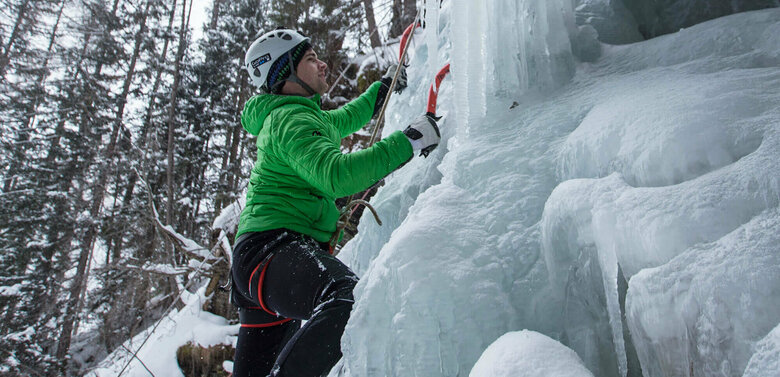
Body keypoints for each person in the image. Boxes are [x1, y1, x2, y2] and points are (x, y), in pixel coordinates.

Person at [230, 28, 441, 377]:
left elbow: (344, 119)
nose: (323, 64)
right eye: (311, 59)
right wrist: (409, 141)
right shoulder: (290, 119)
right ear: (284, 72)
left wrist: (380, 92)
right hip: (272, 249)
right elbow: (338, 176)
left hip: (261, 260)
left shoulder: (299, 114)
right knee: (345, 298)